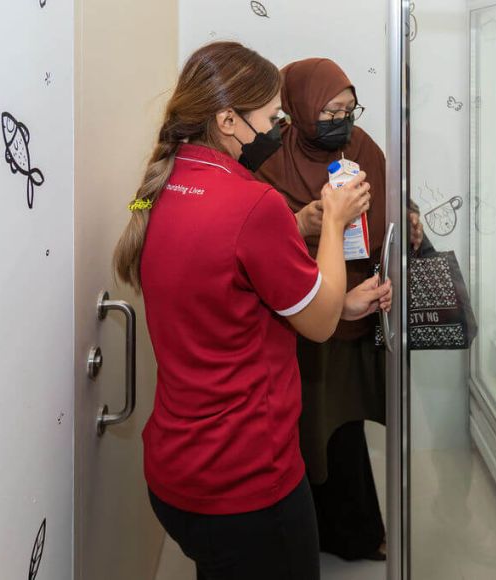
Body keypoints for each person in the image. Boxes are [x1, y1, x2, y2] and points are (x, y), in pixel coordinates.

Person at [112, 42, 392, 580]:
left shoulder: (164, 183)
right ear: (228, 120)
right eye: (271, 116)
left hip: (175, 471)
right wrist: (332, 223)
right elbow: (320, 320)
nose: (278, 126)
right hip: (245, 481)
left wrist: (305, 235)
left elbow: (222, 272)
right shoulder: (253, 203)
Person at [257, 58, 422, 562]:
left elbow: (391, 201)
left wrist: (410, 221)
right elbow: (250, 232)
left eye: (349, 109)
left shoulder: (362, 146)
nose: (342, 120)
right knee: (309, 430)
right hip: (299, 317)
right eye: (330, 110)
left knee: (343, 427)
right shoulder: (268, 154)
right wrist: (303, 223)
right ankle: (306, 537)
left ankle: (353, 534)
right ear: (300, 107)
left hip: (359, 307)